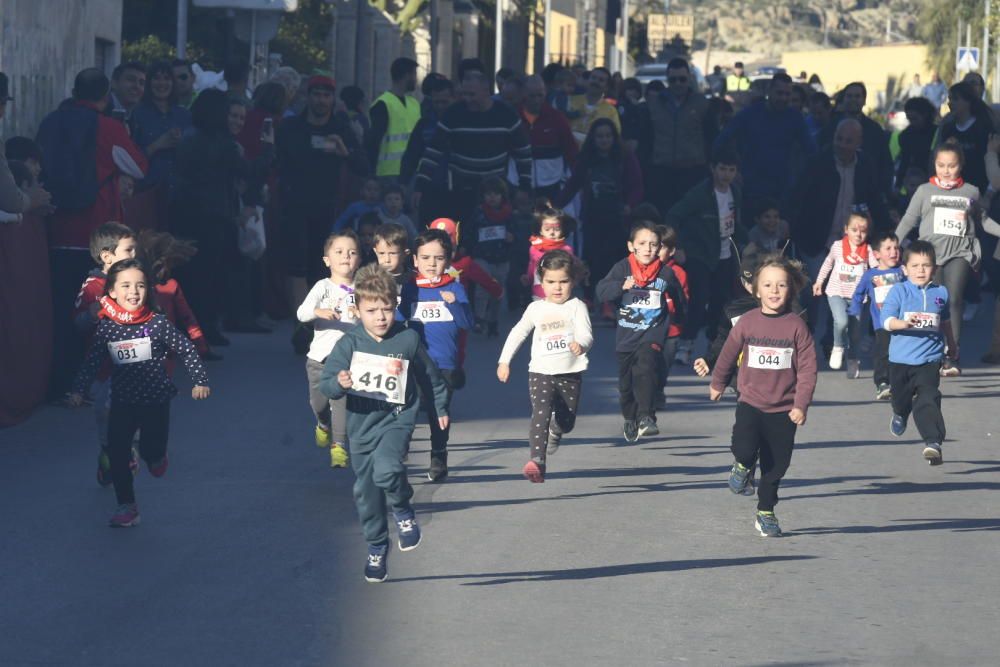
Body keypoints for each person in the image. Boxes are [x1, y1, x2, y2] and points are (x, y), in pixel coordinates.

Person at [318, 264, 450, 583]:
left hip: (396, 418)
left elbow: (431, 378)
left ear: (395, 306)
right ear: (358, 310)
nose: (380, 317)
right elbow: (326, 384)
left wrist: (440, 409)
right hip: (361, 425)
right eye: (372, 310)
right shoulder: (349, 344)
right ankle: (377, 547)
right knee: (367, 494)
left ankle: (403, 510)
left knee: (388, 468)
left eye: (387, 309)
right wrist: (340, 381)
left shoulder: (407, 339)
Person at [67, 259, 211, 527]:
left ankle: (157, 456)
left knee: (149, 451)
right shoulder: (108, 328)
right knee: (119, 453)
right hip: (121, 401)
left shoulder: (158, 324)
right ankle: (127, 506)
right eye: (126, 285)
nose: (134, 291)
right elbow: (92, 361)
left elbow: (186, 349)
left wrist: (199, 380)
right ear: (111, 293)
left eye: (140, 285)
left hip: (155, 401)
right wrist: (78, 390)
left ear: (148, 291)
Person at [36, 68, 147, 395]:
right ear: (105, 95)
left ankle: (58, 386)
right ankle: (95, 383)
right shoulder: (108, 127)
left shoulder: (50, 122)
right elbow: (139, 166)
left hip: (57, 231)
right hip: (98, 235)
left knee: (60, 313)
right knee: (101, 312)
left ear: (74, 89)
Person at [709, 254, 816, 537]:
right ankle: (742, 465)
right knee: (744, 446)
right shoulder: (747, 322)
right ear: (756, 290)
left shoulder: (797, 326)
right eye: (768, 285)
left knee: (776, 464)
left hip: (784, 408)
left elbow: (807, 369)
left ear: (791, 289)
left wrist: (801, 404)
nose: (774, 291)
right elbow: (728, 354)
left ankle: (766, 511)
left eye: (781, 286)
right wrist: (718, 382)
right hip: (750, 401)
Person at [497, 249, 592, 482]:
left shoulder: (577, 306)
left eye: (563, 281)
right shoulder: (536, 308)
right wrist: (504, 360)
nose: (557, 287)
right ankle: (537, 461)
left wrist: (581, 345)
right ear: (541, 281)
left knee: (566, 420)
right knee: (540, 414)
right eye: (550, 282)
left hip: (570, 372)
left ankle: (557, 431)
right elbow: (518, 332)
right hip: (540, 370)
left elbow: (587, 334)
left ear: (573, 281)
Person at [276, 75, 368, 308]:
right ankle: (302, 322)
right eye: (316, 94)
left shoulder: (340, 128)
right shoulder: (291, 127)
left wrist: (344, 151)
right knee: (296, 263)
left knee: (321, 264)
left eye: (326, 95)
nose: (321, 100)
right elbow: (277, 161)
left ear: (332, 99)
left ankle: (316, 314)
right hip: (294, 204)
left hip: (327, 206)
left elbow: (363, 165)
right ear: (308, 96)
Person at [169, 89, 251, 345]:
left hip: (189, 214)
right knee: (210, 278)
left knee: (195, 278)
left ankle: (197, 330)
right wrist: (269, 150)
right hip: (214, 216)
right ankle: (204, 332)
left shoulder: (191, 140)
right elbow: (246, 172)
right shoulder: (220, 143)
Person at [894, 142, 982, 376]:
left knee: (953, 299)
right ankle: (933, 352)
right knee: (936, 303)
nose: (946, 170)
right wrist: (894, 243)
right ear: (934, 164)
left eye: (951, 166)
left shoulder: (971, 192)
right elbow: (908, 219)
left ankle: (952, 355)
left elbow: (981, 220)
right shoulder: (924, 190)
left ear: (960, 165)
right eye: (941, 165)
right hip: (930, 255)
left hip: (959, 252)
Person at [596, 220, 685, 442]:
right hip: (627, 335)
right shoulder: (622, 268)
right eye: (642, 243)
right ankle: (630, 418)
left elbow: (679, 297)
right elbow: (601, 292)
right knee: (626, 386)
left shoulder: (665, 273)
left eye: (653, 244)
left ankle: (646, 417)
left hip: (653, 332)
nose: (648, 249)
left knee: (646, 366)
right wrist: (620, 287)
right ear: (631, 246)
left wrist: (682, 318)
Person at [399, 229, 473, 481]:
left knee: (437, 411)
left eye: (439, 258)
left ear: (448, 260)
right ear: (415, 260)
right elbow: (397, 319)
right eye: (426, 257)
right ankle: (400, 446)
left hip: (444, 362)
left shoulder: (455, 288)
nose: (432, 263)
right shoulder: (410, 290)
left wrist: (454, 303)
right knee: (407, 405)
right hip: (414, 359)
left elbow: (467, 323)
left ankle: (439, 455)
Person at [414, 70, 530, 223]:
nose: (467, 99)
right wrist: (420, 186)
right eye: (464, 94)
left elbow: (523, 152)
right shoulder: (454, 114)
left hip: (495, 192)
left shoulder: (506, 115)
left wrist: (525, 187)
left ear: (485, 91)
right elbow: (434, 151)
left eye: (472, 94)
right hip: (461, 191)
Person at [72, 223, 138, 486]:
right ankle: (108, 453)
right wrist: (95, 312)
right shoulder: (92, 286)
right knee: (106, 415)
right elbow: (77, 323)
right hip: (102, 366)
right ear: (107, 257)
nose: (134, 255)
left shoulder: (135, 280)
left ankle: (127, 449)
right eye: (128, 250)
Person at [668, 147, 748, 364]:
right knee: (699, 297)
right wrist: (678, 247)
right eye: (722, 169)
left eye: (731, 170)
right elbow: (675, 215)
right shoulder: (700, 194)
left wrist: (750, 242)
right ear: (713, 169)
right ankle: (686, 344)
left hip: (725, 254)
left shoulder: (736, 192)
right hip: (700, 254)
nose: (726, 175)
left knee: (720, 300)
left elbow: (735, 223)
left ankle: (715, 344)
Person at [882, 241, 958, 464]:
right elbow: (886, 321)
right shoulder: (899, 291)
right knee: (901, 399)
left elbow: (945, 322)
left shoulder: (941, 293)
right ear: (904, 269)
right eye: (915, 266)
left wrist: (952, 344)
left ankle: (933, 442)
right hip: (900, 359)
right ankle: (900, 412)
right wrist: (903, 324)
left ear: (934, 269)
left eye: (926, 265)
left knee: (928, 397)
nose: (921, 270)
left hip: (929, 359)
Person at [554, 118, 643, 302]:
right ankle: (590, 296)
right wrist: (555, 206)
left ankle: (613, 299)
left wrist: (630, 206)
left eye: (608, 136)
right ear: (593, 138)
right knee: (591, 257)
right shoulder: (586, 158)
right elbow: (573, 184)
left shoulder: (625, 157)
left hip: (617, 216)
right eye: (600, 136)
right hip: (592, 215)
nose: (604, 140)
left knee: (614, 258)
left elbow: (636, 185)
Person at [297, 230, 362, 469]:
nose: (346, 256)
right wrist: (318, 312)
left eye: (352, 252)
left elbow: (376, 317)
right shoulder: (322, 287)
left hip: (347, 360)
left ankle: (339, 447)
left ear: (359, 260)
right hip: (318, 360)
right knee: (320, 405)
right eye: (339, 252)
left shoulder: (362, 288)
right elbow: (301, 313)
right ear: (327, 260)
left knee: (341, 402)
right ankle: (322, 424)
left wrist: (362, 314)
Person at [715, 73, 815, 221]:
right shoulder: (750, 114)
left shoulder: (794, 118)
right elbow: (722, 141)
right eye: (779, 93)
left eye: (787, 94)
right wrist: (732, 171)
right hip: (751, 188)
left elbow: (811, 151)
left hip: (781, 190)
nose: (783, 98)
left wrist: (801, 180)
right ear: (769, 91)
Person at [812, 209, 877, 373]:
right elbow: (827, 264)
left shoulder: (868, 251)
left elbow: (876, 270)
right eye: (854, 230)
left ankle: (853, 358)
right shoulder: (837, 246)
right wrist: (819, 282)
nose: (858, 234)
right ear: (846, 229)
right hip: (836, 292)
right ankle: (838, 347)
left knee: (855, 333)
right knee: (841, 322)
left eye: (863, 231)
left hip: (856, 297)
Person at [645, 58, 711, 214]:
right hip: (662, 172)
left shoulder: (701, 104)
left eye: (682, 79)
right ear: (668, 80)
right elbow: (647, 136)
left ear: (689, 78)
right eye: (673, 80)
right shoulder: (654, 104)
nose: (678, 83)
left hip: (692, 172)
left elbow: (710, 136)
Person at [848, 231, 904, 399]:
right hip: (882, 323)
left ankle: (902, 383)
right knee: (884, 352)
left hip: (903, 321)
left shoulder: (903, 272)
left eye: (897, 248)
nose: (894, 252)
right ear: (877, 254)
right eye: (888, 248)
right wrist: (854, 311)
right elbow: (858, 294)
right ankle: (882, 382)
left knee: (902, 353)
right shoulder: (870, 275)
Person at [130, 60, 192, 193]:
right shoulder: (137, 114)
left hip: (180, 194)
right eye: (156, 78)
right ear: (148, 82)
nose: (162, 83)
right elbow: (129, 159)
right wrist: (157, 145)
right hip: (147, 193)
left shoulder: (185, 116)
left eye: (167, 79)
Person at [400, 76, 454, 225]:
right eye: (437, 102)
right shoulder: (425, 124)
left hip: (458, 189)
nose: (440, 106)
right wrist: (404, 183)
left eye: (445, 102)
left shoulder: (462, 121)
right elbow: (412, 155)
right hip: (430, 187)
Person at [467, 176, 514, 335]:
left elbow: (518, 233)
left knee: (497, 291)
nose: (492, 197)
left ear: (502, 195)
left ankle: (493, 320)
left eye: (495, 194)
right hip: (482, 256)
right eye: (488, 194)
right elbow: (469, 231)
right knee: (483, 285)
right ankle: (479, 318)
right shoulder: (479, 213)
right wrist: (465, 248)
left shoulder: (509, 214)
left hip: (502, 258)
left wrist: (512, 237)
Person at [520, 74, 578, 201]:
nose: (536, 100)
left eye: (540, 95)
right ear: (524, 94)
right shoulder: (514, 117)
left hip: (552, 188)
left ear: (545, 93)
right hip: (520, 189)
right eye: (532, 96)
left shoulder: (557, 118)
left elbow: (572, 152)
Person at [368, 58, 421, 183]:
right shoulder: (383, 104)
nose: (416, 79)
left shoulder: (414, 104)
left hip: (413, 171)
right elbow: (373, 142)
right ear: (407, 75)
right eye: (414, 74)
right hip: (388, 173)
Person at [936, 82, 994, 192]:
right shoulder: (948, 129)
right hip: (952, 191)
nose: (950, 103)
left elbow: (992, 163)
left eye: (955, 99)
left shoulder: (983, 129)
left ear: (968, 102)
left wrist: (988, 194)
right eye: (950, 99)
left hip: (978, 190)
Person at [523, 208, 575, 301]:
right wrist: (528, 277)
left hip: (560, 293)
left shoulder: (566, 250)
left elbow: (572, 271)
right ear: (540, 230)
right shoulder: (535, 248)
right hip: (539, 292)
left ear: (563, 229)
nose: (552, 233)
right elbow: (531, 265)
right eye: (547, 229)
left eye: (557, 229)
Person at [567, 67, 621, 144]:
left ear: (606, 87)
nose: (596, 82)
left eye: (601, 80)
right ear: (588, 80)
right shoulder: (570, 101)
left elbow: (614, 136)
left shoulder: (611, 112)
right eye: (593, 78)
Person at [895, 97, 937, 193]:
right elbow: (904, 161)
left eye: (915, 119)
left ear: (925, 115)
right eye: (910, 119)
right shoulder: (906, 135)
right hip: (914, 180)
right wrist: (898, 185)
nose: (912, 123)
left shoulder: (936, 133)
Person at [373, 222, 412, 287]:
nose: (387, 260)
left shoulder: (413, 280)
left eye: (392, 253)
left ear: (405, 253)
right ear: (375, 252)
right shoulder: (371, 280)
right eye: (381, 253)